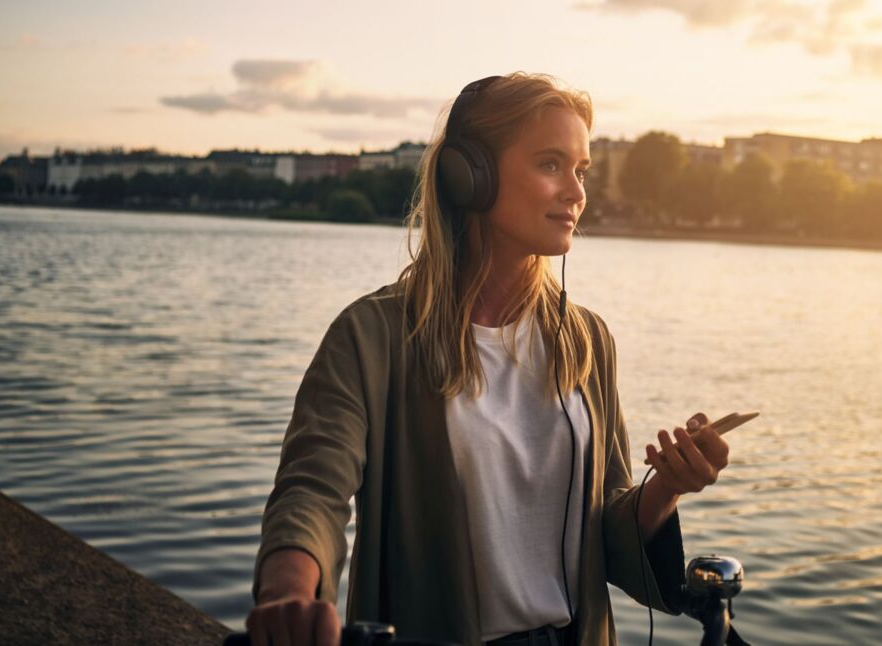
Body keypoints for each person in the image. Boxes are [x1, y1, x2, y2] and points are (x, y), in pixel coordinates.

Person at [246, 72, 733, 646]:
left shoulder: (588, 339)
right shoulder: (371, 337)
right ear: (467, 176)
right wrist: (290, 595)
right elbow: (312, 492)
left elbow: (607, 526)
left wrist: (666, 487)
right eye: (551, 164)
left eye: (581, 171)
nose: (577, 192)